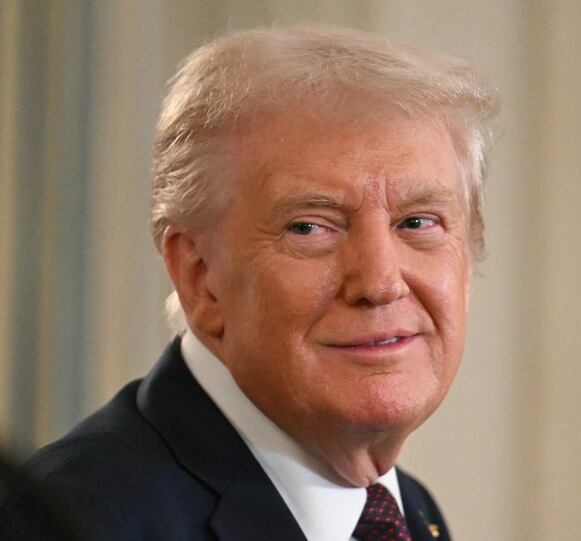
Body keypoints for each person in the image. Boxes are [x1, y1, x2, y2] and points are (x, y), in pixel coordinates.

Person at [0, 24, 498, 540]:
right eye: (309, 227)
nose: (379, 283)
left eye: (417, 222)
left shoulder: (401, 511)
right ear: (201, 277)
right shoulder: (78, 522)